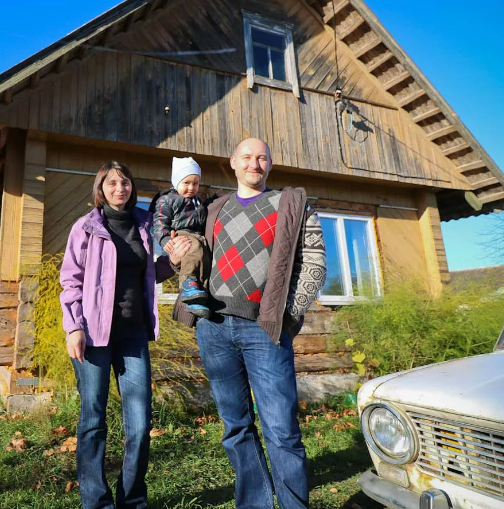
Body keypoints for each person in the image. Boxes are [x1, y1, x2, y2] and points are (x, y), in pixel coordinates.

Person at [167, 138, 327, 509]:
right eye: (247, 157)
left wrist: (287, 315)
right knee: (236, 428)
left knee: (281, 430)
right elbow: (193, 255)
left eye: (262, 158)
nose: (255, 163)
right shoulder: (213, 209)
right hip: (214, 328)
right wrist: (178, 255)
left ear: (270, 164)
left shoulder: (292, 204)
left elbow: (315, 265)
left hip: (264, 331)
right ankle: (254, 503)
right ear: (233, 163)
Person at [60, 160, 191, 509]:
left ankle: (132, 499)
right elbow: (70, 282)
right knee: (93, 420)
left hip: (133, 335)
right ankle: (96, 501)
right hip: (93, 336)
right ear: (101, 188)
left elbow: (153, 271)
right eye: (113, 183)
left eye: (126, 183)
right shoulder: (85, 228)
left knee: (139, 423)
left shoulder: (145, 224)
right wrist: (73, 327)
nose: (120, 189)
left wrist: (174, 261)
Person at [149, 156, 216, 318]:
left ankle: (196, 297)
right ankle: (188, 283)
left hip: (198, 236)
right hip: (182, 234)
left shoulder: (198, 201)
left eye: (195, 183)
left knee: (203, 258)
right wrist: (165, 239)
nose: (191, 187)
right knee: (193, 249)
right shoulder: (168, 200)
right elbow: (159, 221)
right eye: (186, 183)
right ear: (176, 182)